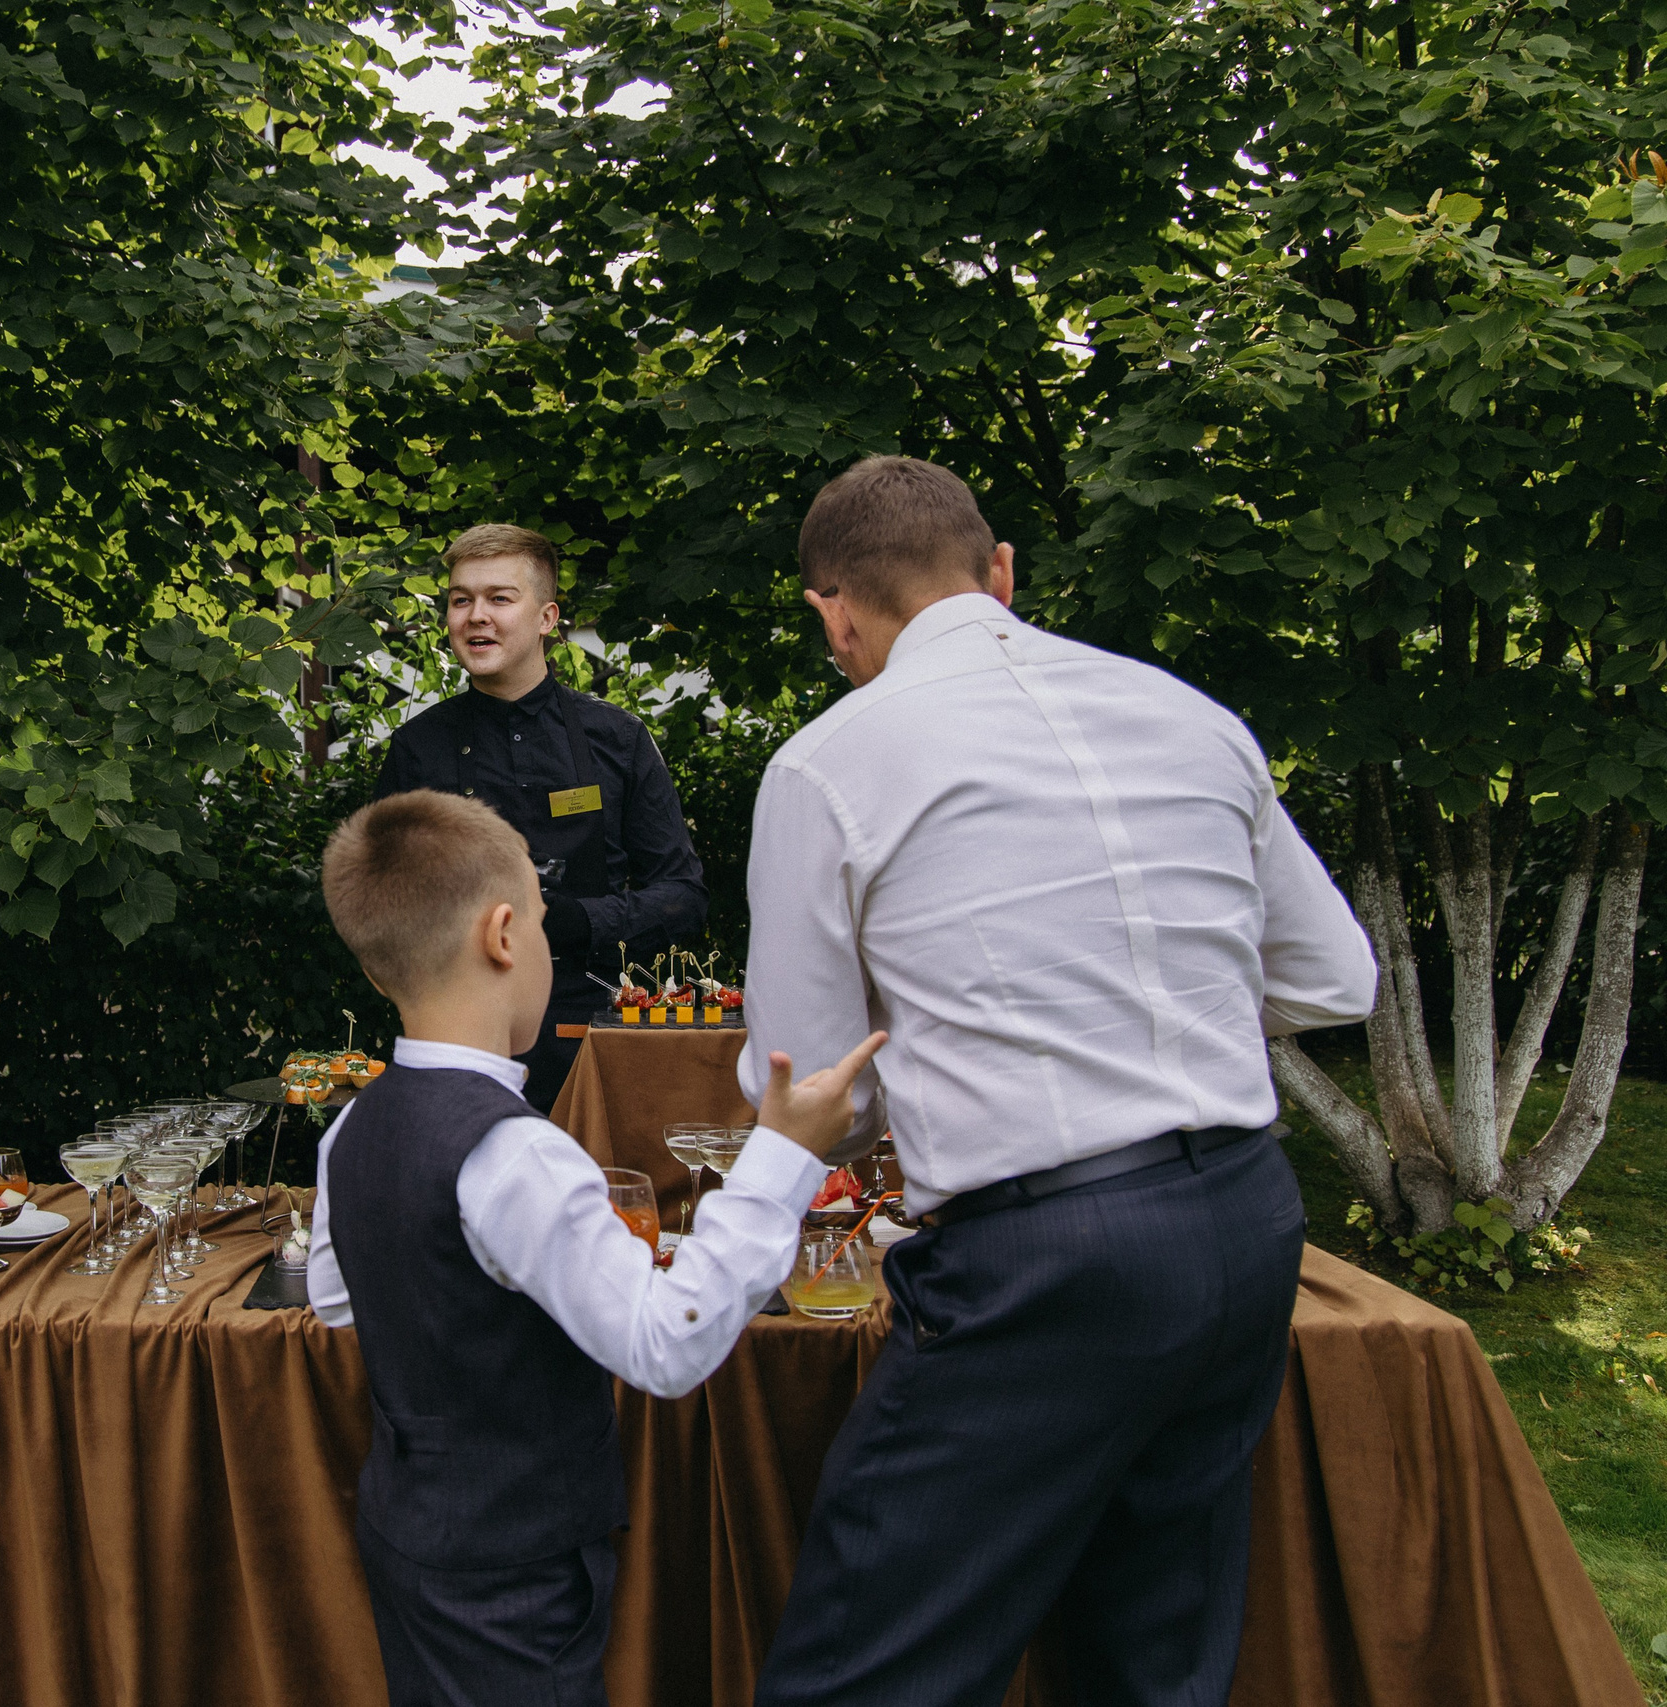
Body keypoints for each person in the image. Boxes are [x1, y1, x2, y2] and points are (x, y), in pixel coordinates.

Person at [740, 457, 1378, 1707]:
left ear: (832, 614)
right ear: (1000, 573)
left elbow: (817, 1094)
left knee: (867, 1669)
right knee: (1155, 1661)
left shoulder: (826, 764)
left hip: (1046, 1260)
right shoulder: (1190, 714)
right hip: (1246, 1216)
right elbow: (1333, 979)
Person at [307, 788, 886, 1707]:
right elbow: (668, 1340)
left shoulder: (351, 1128)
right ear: (505, 935)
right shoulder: (515, 1152)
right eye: (544, 922)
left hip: (409, 1535)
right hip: (515, 1567)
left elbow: (338, 1296)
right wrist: (784, 1154)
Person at [372, 524, 707, 1111]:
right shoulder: (416, 750)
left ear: (548, 618)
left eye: (500, 598)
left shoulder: (618, 739)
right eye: (460, 600)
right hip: (458, 1037)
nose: (476, 616)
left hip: (594, 1030)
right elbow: (378, 907)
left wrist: (583, 919)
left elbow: (684, 897)